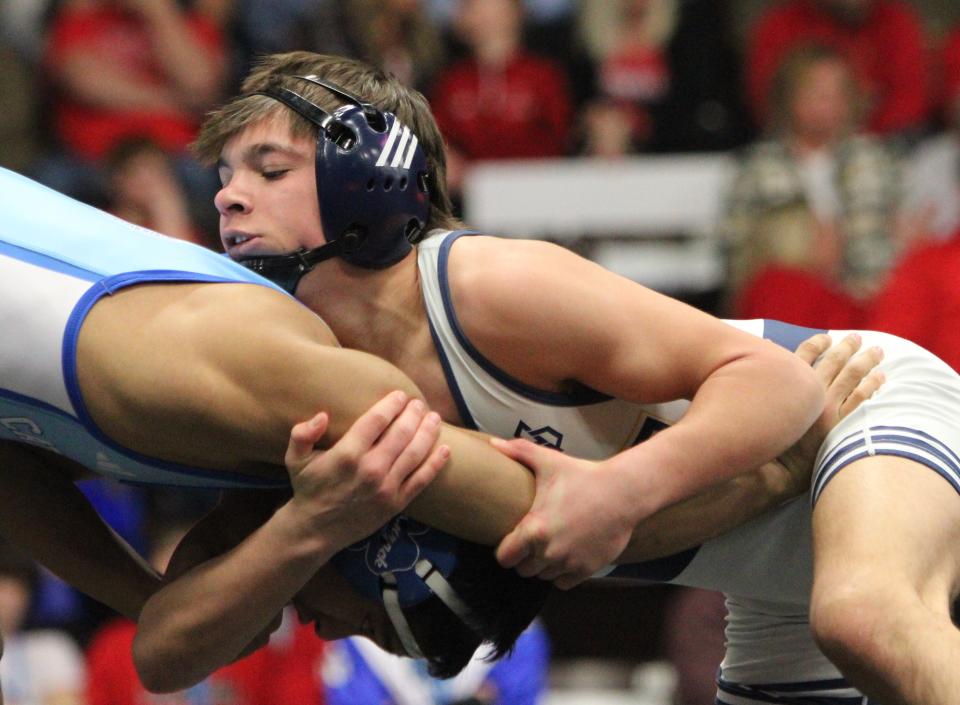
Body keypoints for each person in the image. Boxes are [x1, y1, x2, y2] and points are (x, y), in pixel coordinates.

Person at [174, 51, 960, 704]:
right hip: (757, 541)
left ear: (367, 172)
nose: (227, 194)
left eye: (269, 168)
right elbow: (170, 647)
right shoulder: (296, 375)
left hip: (849, 404)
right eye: (225, 174)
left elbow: (782, 387)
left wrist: (617, 491)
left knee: (865, 615)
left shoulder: (481, 285)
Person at [0, 165, 819, 695]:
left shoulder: (260, 443)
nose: (325, 629)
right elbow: (554, 519)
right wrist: (764, 480)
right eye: (368, 622)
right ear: (389, 540)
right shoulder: (330, 397)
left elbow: (160, 641)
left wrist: (294, 534)